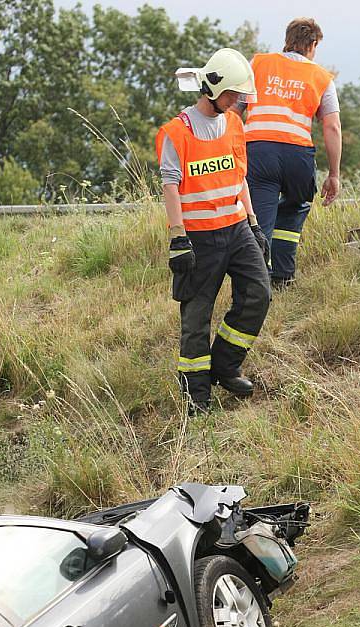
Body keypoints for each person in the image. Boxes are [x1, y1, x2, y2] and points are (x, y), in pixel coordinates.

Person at [155, 48, 271, 415]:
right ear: (211, 88)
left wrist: (253, 223)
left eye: (239, 95)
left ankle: (225, 364)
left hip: (237, 229)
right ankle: (197, 397)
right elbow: (170, 185)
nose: (237, 101)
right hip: (199, 239)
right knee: (196, 320)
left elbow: (240, 178)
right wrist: (178, 237)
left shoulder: (235, 123)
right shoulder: (176, 132)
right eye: (232, 94)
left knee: (258, 294)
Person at [243, 18, 342, 288]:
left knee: (260, 219)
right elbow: (331, 127)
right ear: (313, 44)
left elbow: (233, 109)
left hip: (259, 151)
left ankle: (256, 284)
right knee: (295, 206)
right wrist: (334, 174)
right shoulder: (322, 77)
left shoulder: (258, 64)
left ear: (287, 39)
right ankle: (283, 277)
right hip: (297, 155)